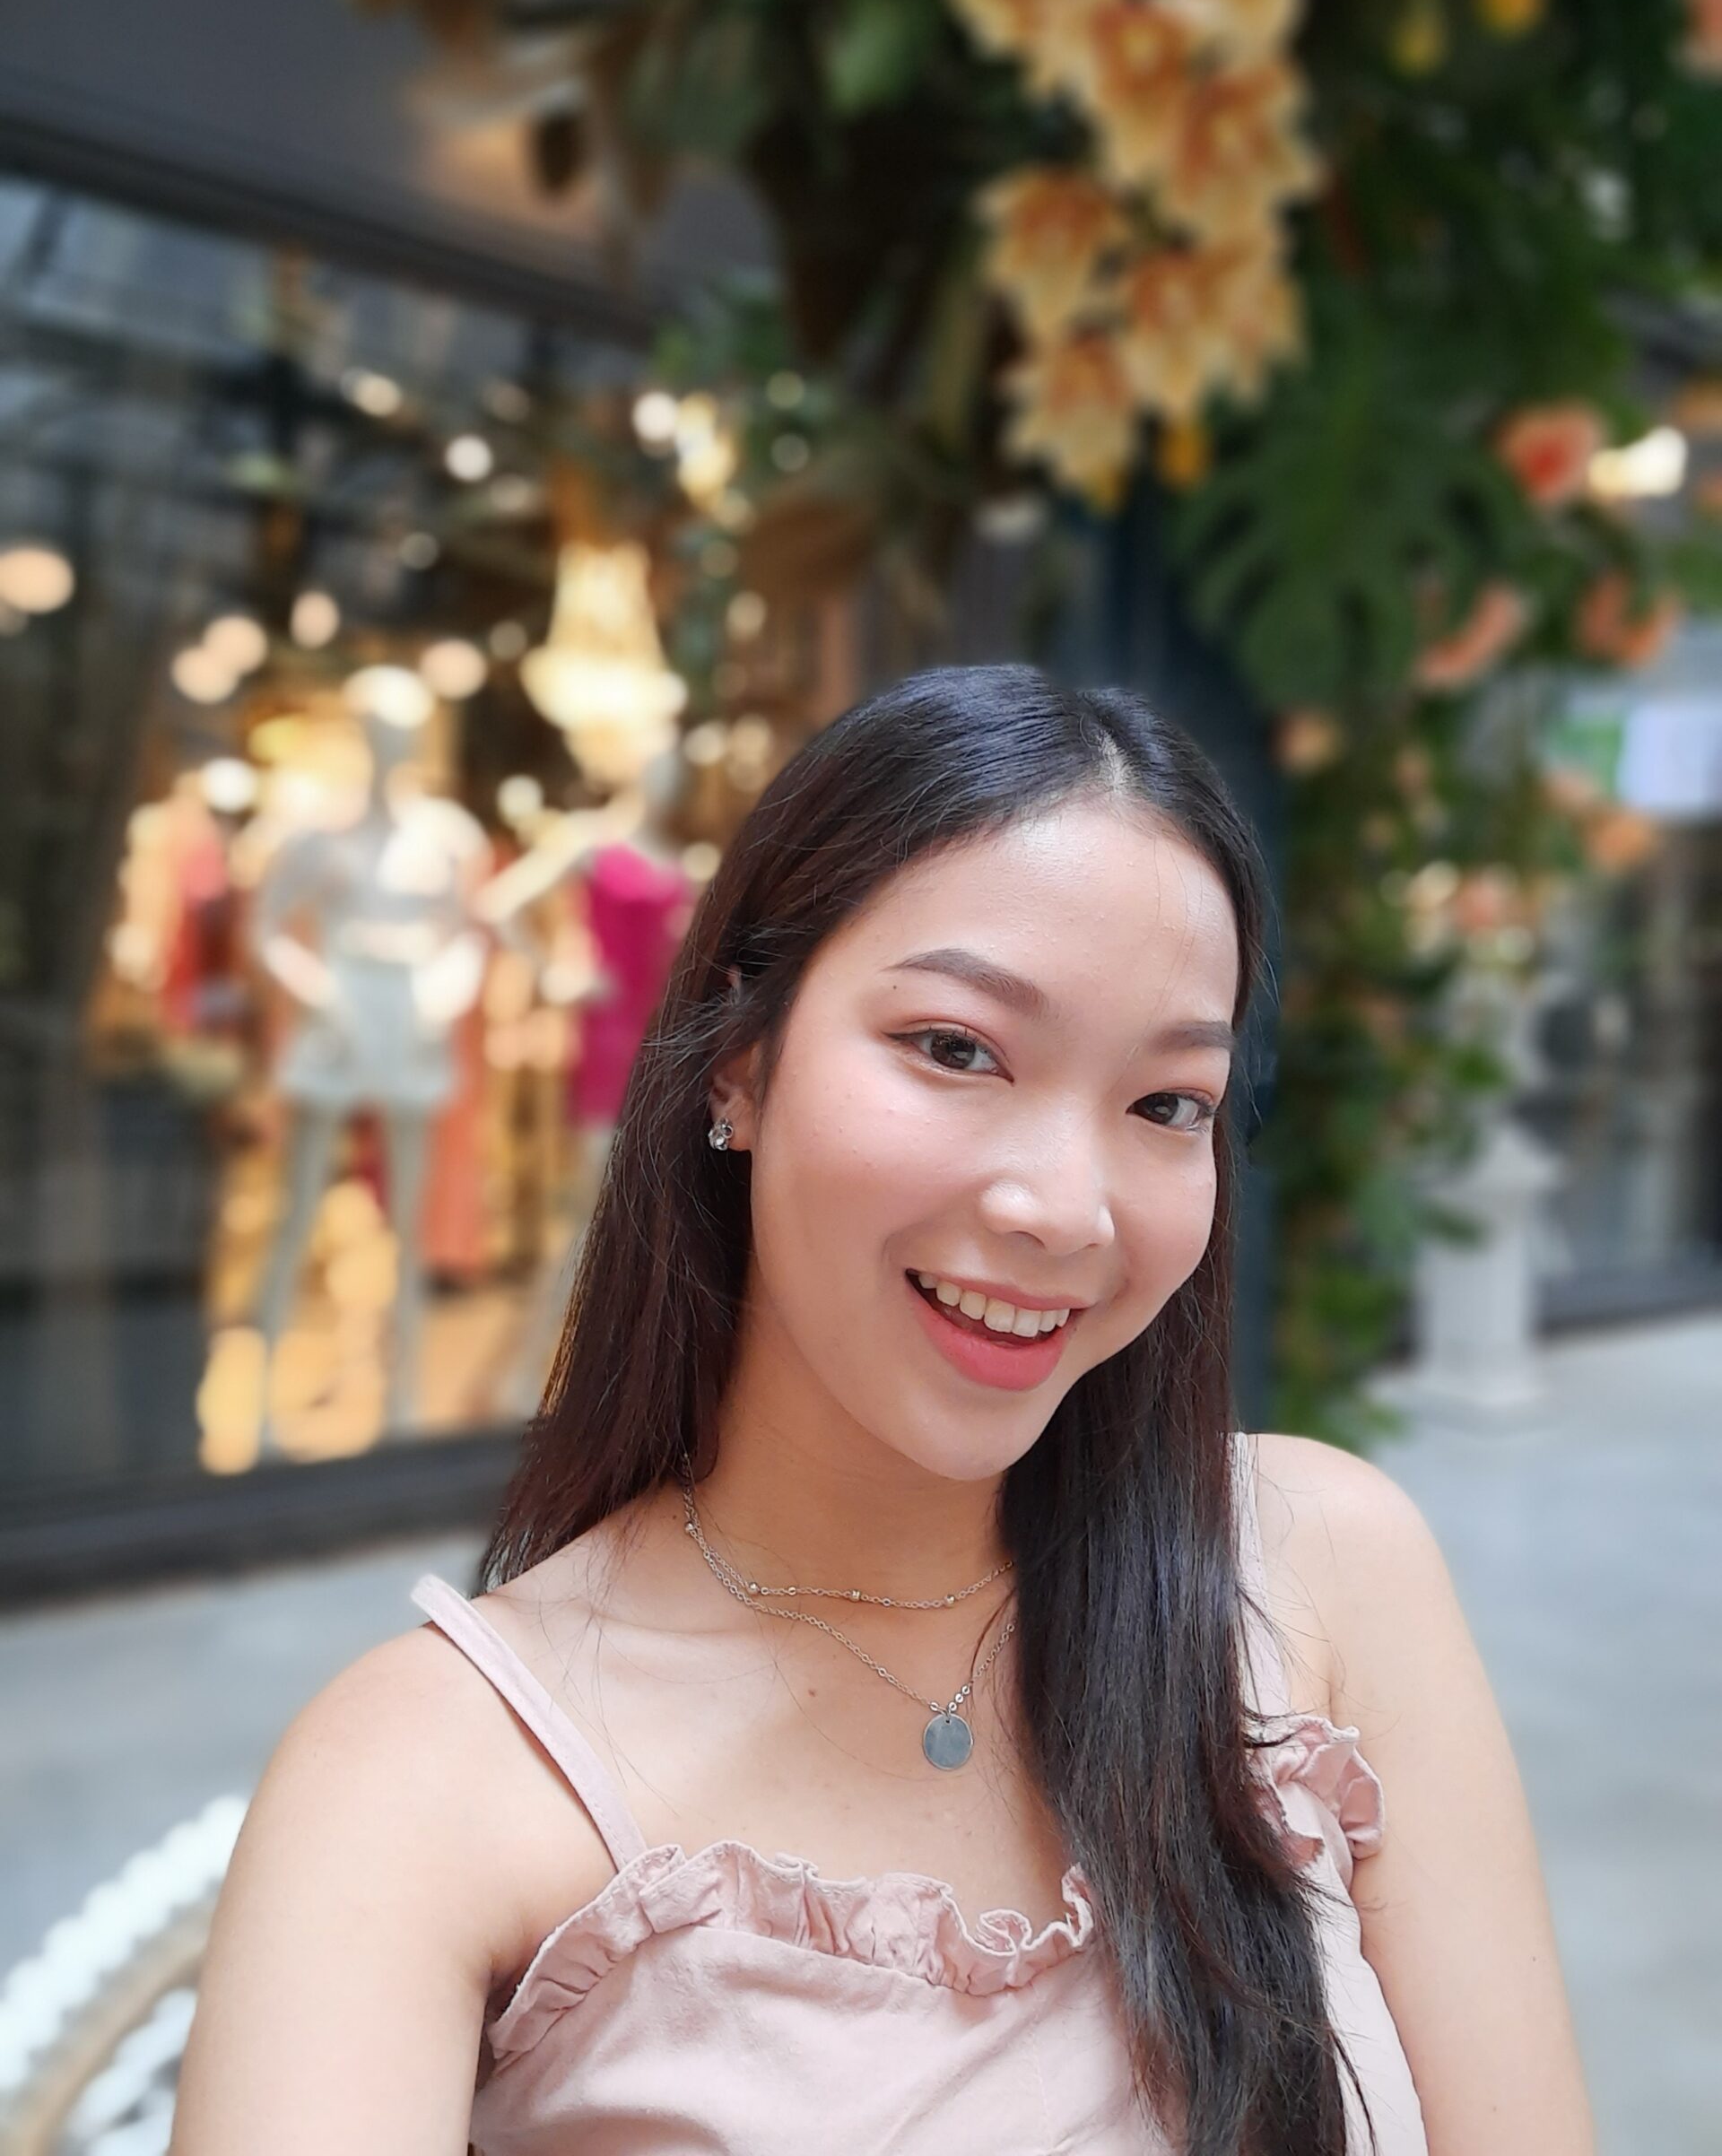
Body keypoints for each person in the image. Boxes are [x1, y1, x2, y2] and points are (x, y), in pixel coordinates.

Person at [171, 666, 1593, 2156]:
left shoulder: (1321, 1568)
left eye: (1167, 1103)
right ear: (738, 1060)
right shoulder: (427, 1783)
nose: (1066, 1209)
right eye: (956, 1048)